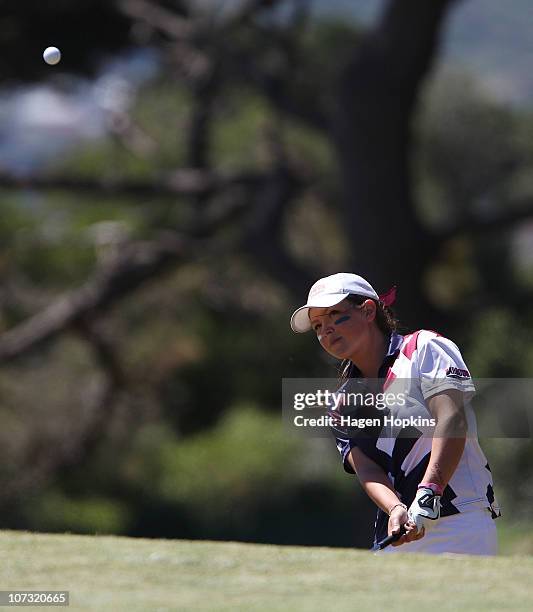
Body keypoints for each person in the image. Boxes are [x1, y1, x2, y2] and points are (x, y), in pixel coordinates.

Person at [290, 272, 500, 555]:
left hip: (460, 519)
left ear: (367, 311)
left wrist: (430, 491)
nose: (326, 330)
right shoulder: (340, 405)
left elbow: (452, 420)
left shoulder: (424, 348)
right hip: (400, 532)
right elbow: (367, 469)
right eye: (317, 325)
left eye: (335, 315)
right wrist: (395, 508)